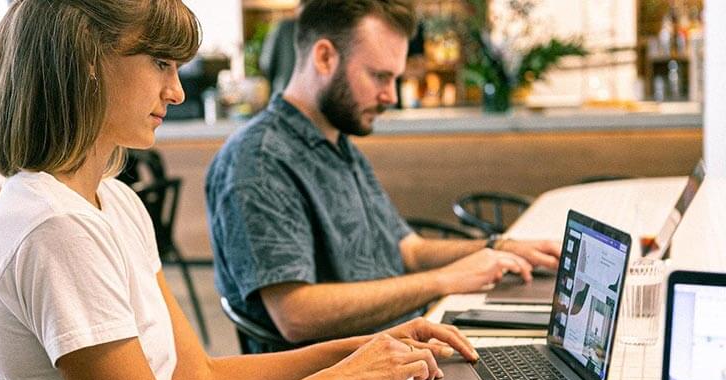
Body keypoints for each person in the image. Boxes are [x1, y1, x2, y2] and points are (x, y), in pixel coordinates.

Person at [0, 1, 478, 380]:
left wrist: (367, 346)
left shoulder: (115, 201)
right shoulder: (54, 226)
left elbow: (198, 379)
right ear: (86, 59)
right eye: (160, 64)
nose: (177, 90)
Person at [206, 0, 561, 353]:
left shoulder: (338, 145)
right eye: (379, 76)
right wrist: (443, 280)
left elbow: (408, 250)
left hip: (400, 347)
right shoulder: (259, 160)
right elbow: (295, 314)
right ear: (325, 57)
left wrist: (497, 248)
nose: (390, 96)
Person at [258, 1, 309, 95]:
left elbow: (266, 62)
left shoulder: (284, 27)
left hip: (283, 93)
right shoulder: (324, 31)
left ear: (299, 9)